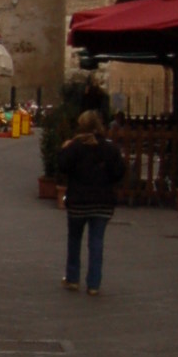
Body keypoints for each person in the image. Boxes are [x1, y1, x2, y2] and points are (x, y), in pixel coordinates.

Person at [58, 108, 125, 295]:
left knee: (74, 239)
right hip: (102, 202)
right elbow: (119, 172)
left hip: (78, 201)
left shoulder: (74, 147)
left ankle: (72, 278)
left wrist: (64, 149)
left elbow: (62, 167)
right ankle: (94, 283)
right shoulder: (110, 149)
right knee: (96, 241)